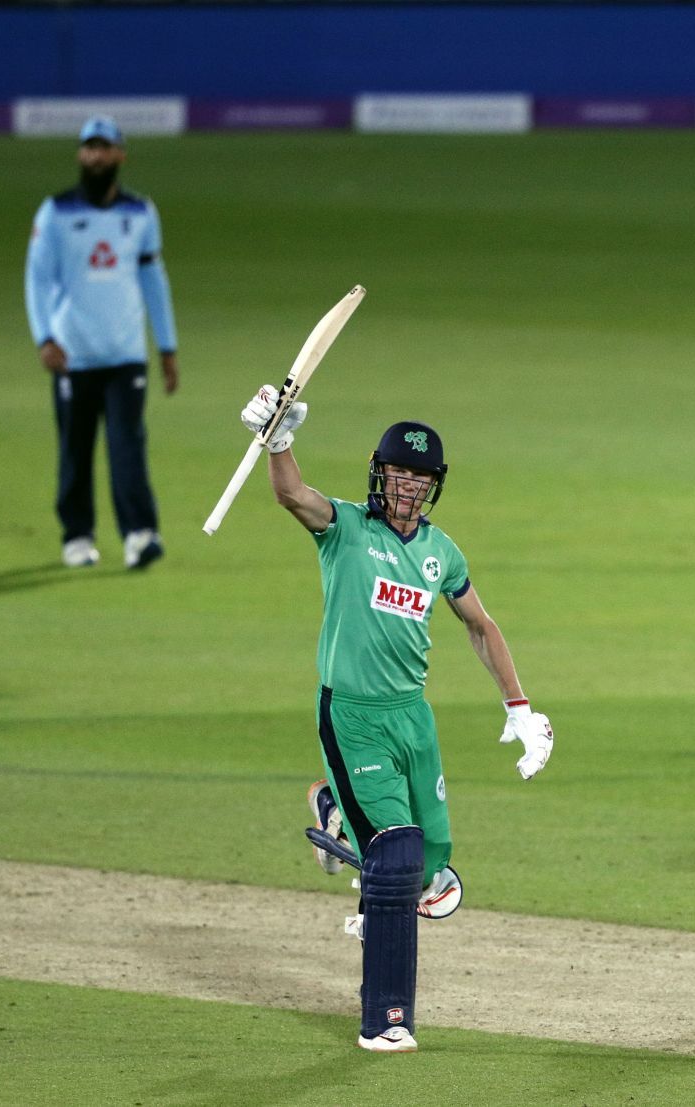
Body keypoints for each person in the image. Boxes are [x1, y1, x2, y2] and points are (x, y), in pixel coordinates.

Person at [239, 385, 555, 1053]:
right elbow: (293, 495)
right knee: (395, 855)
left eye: (421, 479)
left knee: (435, 871)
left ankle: (334, 807)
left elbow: (480, 624)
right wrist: (278, 440)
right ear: (378, 475)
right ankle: (386, 1018)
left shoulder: (442, 551)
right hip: (352, 715)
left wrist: (519, 706)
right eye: (398, 475)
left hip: (413, 717)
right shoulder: (346, 528)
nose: (408, 489)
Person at [23, 115, 179, 570]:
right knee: (76, 446)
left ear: (119, 155)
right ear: (80, 154)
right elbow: (37, 279)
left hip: (126, 354)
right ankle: (77, 536)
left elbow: (154, 280)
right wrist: (44, 337)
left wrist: (166, 347)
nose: (95, 156)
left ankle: (139, 534)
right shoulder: (55, 212)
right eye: (89, 148)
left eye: (104, 148)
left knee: (127, 444)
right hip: (73, 354)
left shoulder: (140, 213)